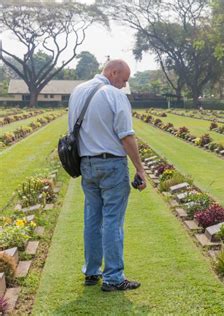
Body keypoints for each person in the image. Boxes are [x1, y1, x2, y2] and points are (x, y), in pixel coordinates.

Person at [68, 59, 146, 292]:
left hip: (86, 164)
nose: (124, 85)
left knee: (92, 218)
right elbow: (126, 135)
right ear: (113, 72)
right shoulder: (114, 95)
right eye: (123, 79)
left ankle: (92, 271)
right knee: (113, 220)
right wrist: (140, 169)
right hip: (111, 164)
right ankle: (113, 276)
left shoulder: (78, 91)